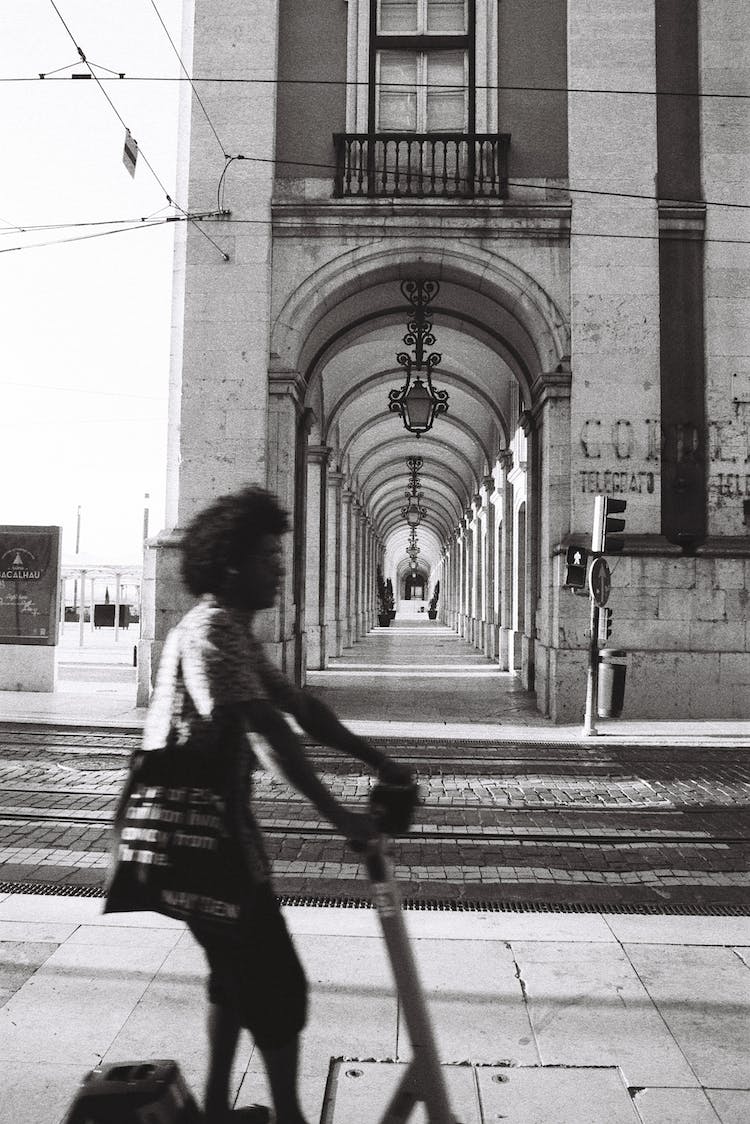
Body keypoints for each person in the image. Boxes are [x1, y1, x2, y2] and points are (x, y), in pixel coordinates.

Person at [140, 486, 411, 1124]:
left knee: (233, 977)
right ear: (233, 566)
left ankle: (213, 1109)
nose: (281, 568)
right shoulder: (209, 631)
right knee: (279, 988)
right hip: (198, 847)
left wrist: (380, 762)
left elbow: (303, 709)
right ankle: (288, 1116)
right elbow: (269, 732)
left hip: (210, 843)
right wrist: (343, 817)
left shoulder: (232, 629)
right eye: (269, 557)